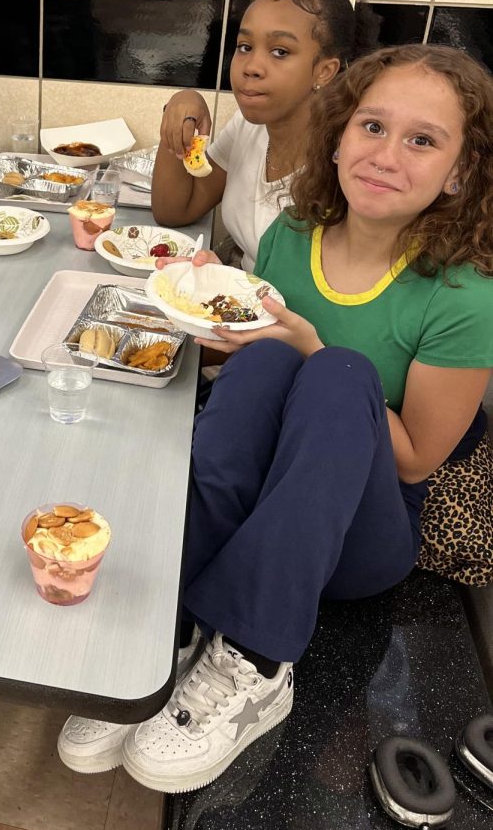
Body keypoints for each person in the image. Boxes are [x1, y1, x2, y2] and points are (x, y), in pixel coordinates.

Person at [58, 44, 493, 792]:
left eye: (423, 140)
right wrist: (212, 329)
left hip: (359, 540)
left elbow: (418, 457)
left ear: (459, 170)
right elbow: (253, 379)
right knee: (265, 364)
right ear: (339, 134)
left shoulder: (464, 294)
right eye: (373, 127)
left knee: (337, 371)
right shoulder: (294, 237)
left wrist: (314, 344)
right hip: (261, 504)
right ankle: (172, 624)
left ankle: (256, 660)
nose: (388, 154)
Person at [152, 0, 377, 271]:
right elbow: (174, 211)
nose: (252, 67)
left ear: (324, 71)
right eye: (245, 46)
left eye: (280, 52)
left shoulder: (348, 165)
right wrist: (180, 114)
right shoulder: (250, 127)